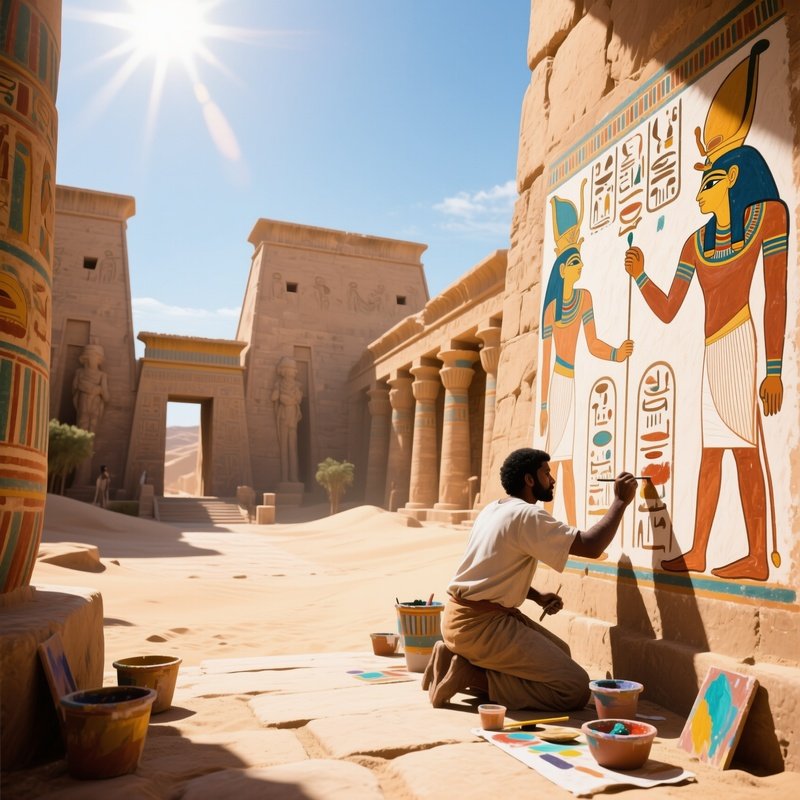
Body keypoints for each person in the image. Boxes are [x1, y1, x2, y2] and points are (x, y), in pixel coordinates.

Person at [623, 39, 786, 581]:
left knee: (742, 451)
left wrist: (773, 370)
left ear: (733, 180)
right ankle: (698, 550)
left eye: (709, 181)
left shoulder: (767, 221)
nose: (699, 192)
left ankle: (757, 557)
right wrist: (640, 275)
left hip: (740, 342)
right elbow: (670, 309)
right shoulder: (695, 243)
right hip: (713, 351)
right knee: (712, 453)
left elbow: (777, 295)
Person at [423, 448, 637, 710]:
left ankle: (455, 657)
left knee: (561, 653)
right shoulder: (527, 515)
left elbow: (489, 570)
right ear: (529, 479)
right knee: (573, 688)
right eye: (546, 473)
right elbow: (592, 545)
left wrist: (536, 596)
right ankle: (471, 676)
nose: (552, 479)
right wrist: (620, 501)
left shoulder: (494, 509)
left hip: (461, 619)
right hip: (480, 626)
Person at [540, 181, 633, 526]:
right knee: (555, 461)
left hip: (571, 381)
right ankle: (550, 526)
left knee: (568, 460)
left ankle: (573, 529)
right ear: (562, 268)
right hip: (557, 386)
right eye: (575, 262)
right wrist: (544, 406)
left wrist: (617, 353)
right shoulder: (552, 310)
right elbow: (546, 359)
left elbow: (593, 344)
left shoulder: (584, 299)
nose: (581, 267)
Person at [271, 357, 303, 483]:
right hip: (283, 416)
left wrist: (287, 398)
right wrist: (278, 393)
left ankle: (293, 476)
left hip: (292, 416)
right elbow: (274, 398)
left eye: (294, 369)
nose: (294, 371)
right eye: (292, 369)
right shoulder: (279, 384)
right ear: (285, 371)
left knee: (292, 448)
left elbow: (298, 399)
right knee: (283, 448)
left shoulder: (297, 385)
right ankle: (284, 477)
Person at [72, 343, 110, 433]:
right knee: (82, 422)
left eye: (94, 357)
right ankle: (80, 440)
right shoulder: (80, 372)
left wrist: (99, 390)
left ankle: (89, 441)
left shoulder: (102, 375)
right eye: (89, 357)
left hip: (95, 403)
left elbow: (106, 397)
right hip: (83, 401)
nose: (91, 360)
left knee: (93, 425)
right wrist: (91, 388)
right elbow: (74, 388)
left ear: (99, 360)